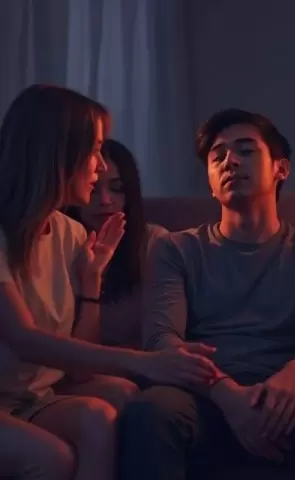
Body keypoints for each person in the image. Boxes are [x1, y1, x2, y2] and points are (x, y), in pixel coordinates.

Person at [118, 108, 295, 480]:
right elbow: (162, 339)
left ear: (280, 169)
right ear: (210, 181)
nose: (230, 161)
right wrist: (225, 394)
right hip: (208, 396)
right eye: (217, 156)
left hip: (293, 396)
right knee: (151, 410)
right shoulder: (175, 249)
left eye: (245, 150)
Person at [0, 84, 218, 480]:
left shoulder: (70, 234)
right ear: (58, 153)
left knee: (102, 412)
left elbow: (78, 371)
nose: (101, 166)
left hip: (28, 397)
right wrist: (145, 361)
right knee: (51, 458)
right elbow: (23, 338)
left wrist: (91, 283)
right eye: (95, 150)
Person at [66, 139, 167, 349]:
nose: (105, 200)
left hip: (144, 361)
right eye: (93, 188)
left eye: (116, 188)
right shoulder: (62, 242)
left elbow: (166, 334)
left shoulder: (154, 243)